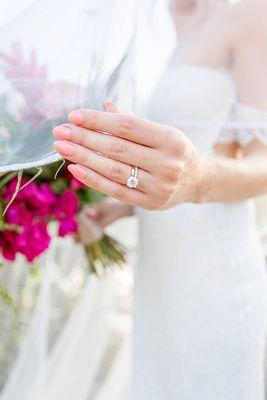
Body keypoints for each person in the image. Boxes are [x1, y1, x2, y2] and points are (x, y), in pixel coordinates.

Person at [53, 0, 267, 398]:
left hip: (214, 277)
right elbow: (184, 157)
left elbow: (262, 161)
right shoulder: (174, 25)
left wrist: (197, 179)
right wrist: (123, 207)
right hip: (158, 280)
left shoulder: (251, 14)